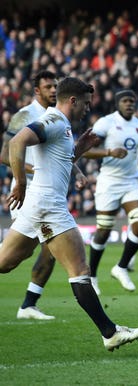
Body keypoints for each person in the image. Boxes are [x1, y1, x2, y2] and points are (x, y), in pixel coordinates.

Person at [0, 76, 138, 351]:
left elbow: (57, 161)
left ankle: (109, 331)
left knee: (4, 263)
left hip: (39, 205)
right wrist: (19, 182)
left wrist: (79, 149)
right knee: (79, 270)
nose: (88, 109)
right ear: (72, 101)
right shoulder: (53, 121)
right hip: (48, 206)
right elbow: (17, 143)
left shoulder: (63, 126)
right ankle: (110, 332)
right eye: (86, 104)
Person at [0, 70, 60, 320]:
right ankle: (27, 305)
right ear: (37, 91)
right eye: (48, 87)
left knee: (52, 249)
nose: (54, 90)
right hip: (27, 193)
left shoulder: (56, 116)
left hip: (48, 194)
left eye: (55, 86)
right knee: (13, 258)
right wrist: (32, 169)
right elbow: (4, 155)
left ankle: (28, 305)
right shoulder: (25, 115)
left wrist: (76, 173)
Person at [84, 89, 138, 294]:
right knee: (103, 230)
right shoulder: (106, 123)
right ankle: (92, 276)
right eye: (125, 101)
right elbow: (85, 150)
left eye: (132, 101)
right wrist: (109, 152)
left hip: (130, 181)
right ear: (117, 104)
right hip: (109, 181)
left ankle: (121, 267)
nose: (129, 104)